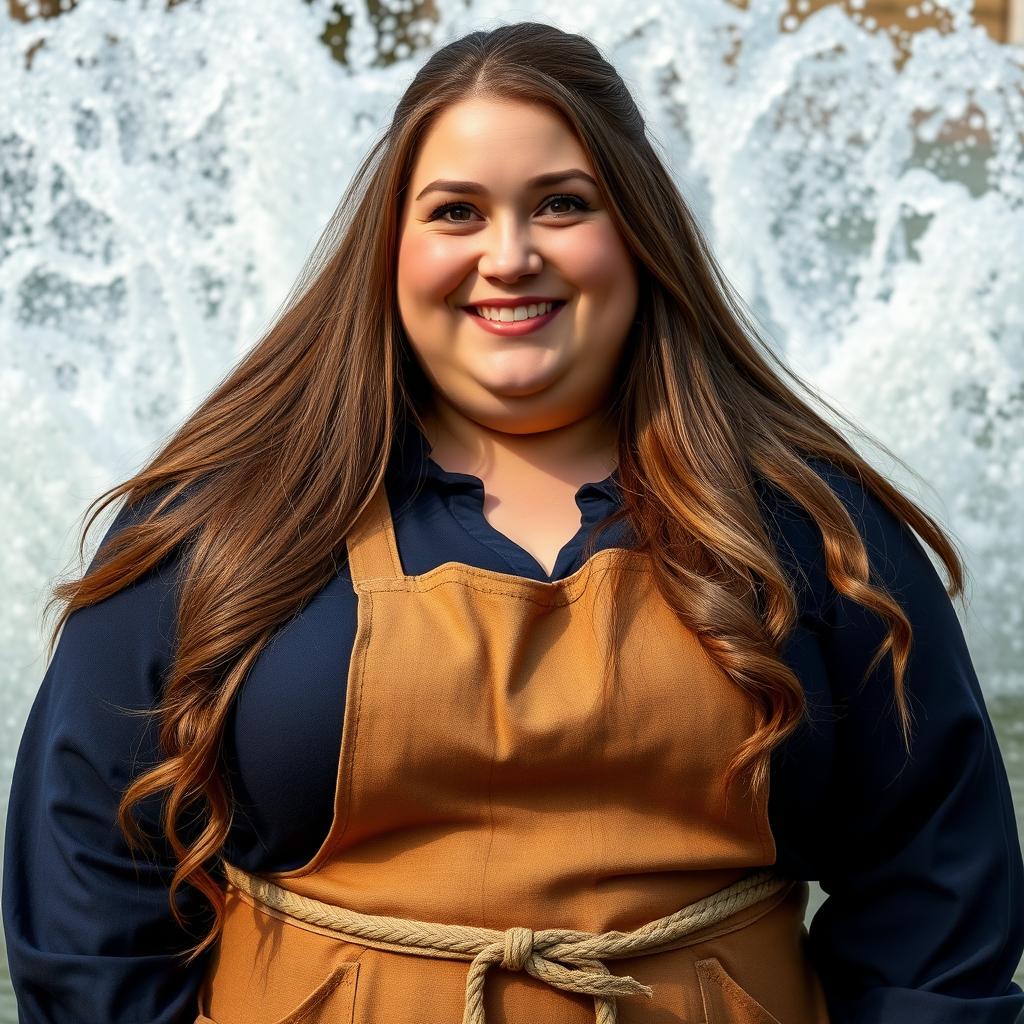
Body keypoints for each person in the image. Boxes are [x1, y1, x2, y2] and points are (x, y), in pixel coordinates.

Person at [3, 20, 1022, 1024]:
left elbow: (935, 898)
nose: (510, 255)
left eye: (562, 205)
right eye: (455, 212)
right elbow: (90, 891)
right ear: (389, 244)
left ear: (638, 232)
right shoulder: (226, 514)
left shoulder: (806, 521)